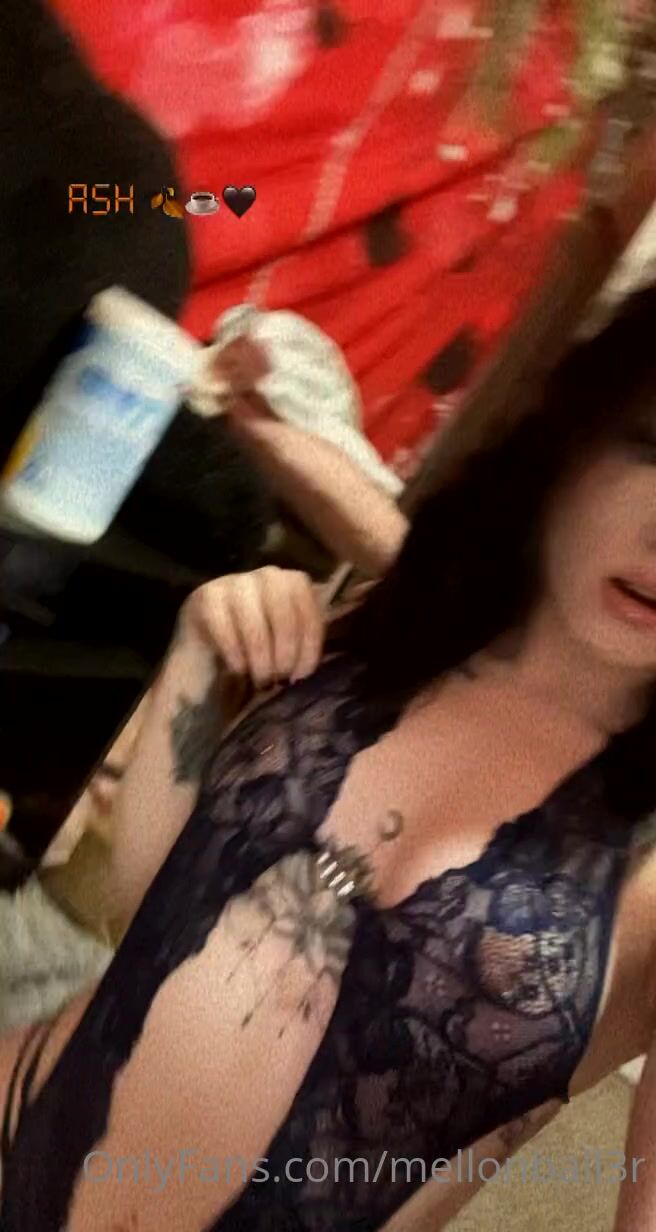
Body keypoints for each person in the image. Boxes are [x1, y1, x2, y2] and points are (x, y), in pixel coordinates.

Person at [3, 282, 656, 1231]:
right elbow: (153, 917)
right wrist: (198, 653)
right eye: (651, 448)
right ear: (575, 433)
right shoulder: (398, 628)